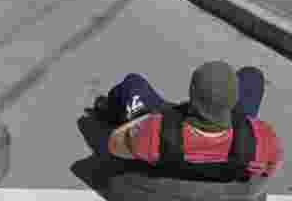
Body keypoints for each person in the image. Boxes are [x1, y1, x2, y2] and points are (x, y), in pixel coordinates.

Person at [97, 61, 283, 180]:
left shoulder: (154, 130)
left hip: (171, 138)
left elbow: (115, 144)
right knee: (252, 75)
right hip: (236, 148)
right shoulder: (263, 137)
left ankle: (108, 109)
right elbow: (269, 171)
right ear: (234, 102)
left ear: (191, 96)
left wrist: (151, 119)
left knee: (133, 82)